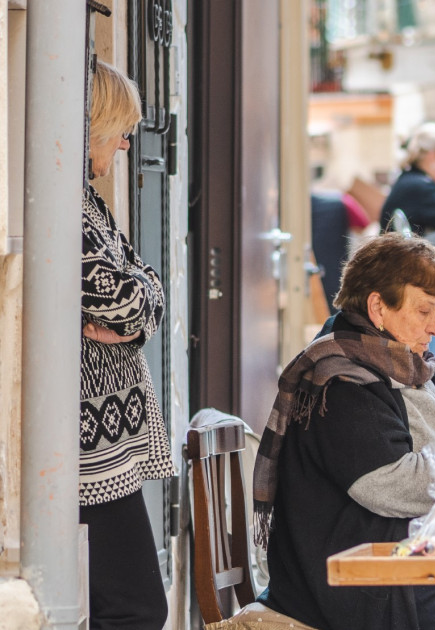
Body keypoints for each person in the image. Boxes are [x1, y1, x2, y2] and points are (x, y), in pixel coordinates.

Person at [253, 234, 435, 629]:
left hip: (396, 557)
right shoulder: (343, 381)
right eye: (424, 311)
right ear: (378, 307)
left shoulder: (405, 363)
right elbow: (391, 482)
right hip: (355, 581)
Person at [79, 60, 175, 629]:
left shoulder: (90, 203)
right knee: (136, 608)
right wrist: (137, 306)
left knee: (122, 606)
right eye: (119, 130)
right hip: (89, 445)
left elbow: (149, 286)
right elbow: (126, 298)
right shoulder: (68, 204)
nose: (124, 144)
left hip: (108, 437)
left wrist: (137, 312)